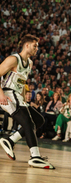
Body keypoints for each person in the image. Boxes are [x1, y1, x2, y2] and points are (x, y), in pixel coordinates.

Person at [0, 34, 55, 169]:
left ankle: (10, 141)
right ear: (27, 45)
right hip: (7, 94)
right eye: (35, 46)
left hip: (17, 95)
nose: (37, 48)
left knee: (38, 120)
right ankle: (35, 157)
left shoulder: (29, 63)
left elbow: (21, 83)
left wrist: (25, 99)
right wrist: (0, 94)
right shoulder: (13, 59)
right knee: (28, 122)